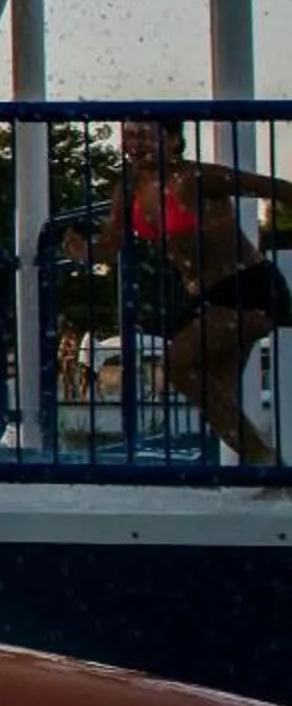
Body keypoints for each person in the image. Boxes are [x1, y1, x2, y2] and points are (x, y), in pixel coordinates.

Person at [63, 119, 292, 472]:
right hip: (205, 298)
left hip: (249, 287)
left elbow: (278, 188)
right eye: (131, 135)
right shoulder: (127, 190)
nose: (136, 143)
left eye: (146, 135)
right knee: (217, 393)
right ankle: (264, 470)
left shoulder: (199, 177)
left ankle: (266, 461)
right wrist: (82, 252)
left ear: (172, 141)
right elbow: (110, 249)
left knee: (178, 367)